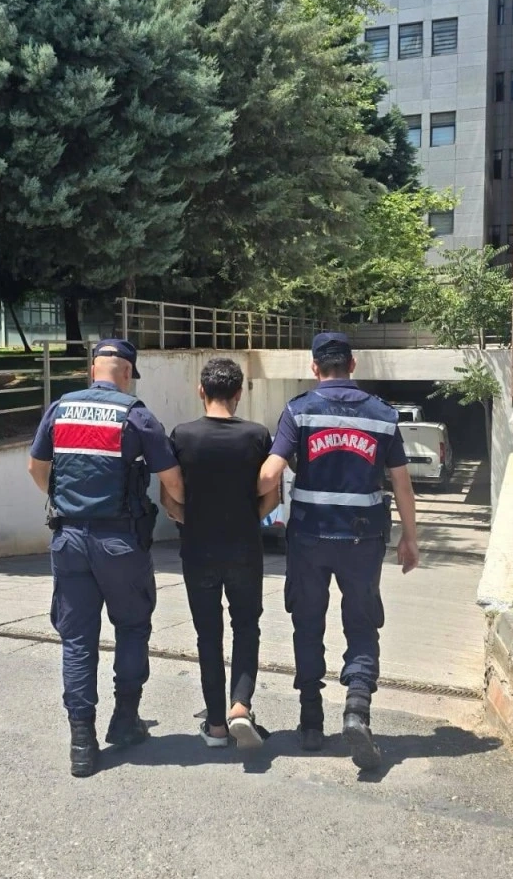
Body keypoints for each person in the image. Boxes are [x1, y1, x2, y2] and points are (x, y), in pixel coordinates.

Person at [257, 332, 420, 771]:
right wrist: (410, 537)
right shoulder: (382, 415)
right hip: (363, 540)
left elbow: (270, 474)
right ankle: (356, 710)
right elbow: (402, 483)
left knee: (307, 623)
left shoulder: (299, 411)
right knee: (362, 624)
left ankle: (311, 721)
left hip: (309, 539)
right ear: (353, 364)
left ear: (314, 368)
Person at [28, 339, 185, 778]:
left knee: (78, 641)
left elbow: (36, 468)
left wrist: (67, 503)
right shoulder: (136, 414)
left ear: (92, 369)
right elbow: (172, 479)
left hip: (68, 539)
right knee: (132, 627)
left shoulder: (60, 408)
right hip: (120, 543)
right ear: (128, 372)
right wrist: (182, 512)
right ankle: (125, 720)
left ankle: (82, 742)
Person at [163, 357, 279, 749]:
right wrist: (245, 519)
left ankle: (215, 726)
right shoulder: (257, 435)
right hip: (244, 547)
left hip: (198, 549)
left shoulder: (182, 435)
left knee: (207, 634)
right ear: (238, 393)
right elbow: (271, 497)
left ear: (201, 390)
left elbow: (170, 498)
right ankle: (240, 707)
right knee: (246, 626)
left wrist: (193, 521)